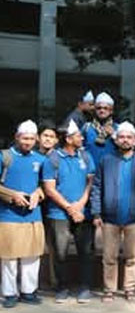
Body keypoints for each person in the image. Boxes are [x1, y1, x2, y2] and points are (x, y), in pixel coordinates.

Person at [92, 122, 135, 303]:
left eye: (129, 137)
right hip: (110, 218)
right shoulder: (106, 161)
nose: (125, 140)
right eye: (121, 137)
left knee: (133, 256)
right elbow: (97, 187)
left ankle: (129, 289)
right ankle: (109, 289)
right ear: (115, 140)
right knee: (109, 256)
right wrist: (96, 213)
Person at [42, 120, 96, 303]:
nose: (81, 138)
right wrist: (69, 208)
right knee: (60, 252)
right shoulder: (53, 159)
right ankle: (61, 288)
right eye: (78, 136)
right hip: (59, 214)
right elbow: (49, 189)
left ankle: (85, 287)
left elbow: (90, 183)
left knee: (86, 252)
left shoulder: (86, 156)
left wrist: (80, 205)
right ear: (68, 138)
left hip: (83, 212)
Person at [0, 121, 46, 308]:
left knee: (32, 256)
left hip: (33, 215)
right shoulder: (4, 157)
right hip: (8, 215)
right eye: (24, 138)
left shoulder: (41, 159)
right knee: (9, 257)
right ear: (17, 137)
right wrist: (12, 195)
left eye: (31, 139)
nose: (27, 142)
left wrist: (38, 194)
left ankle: (28, 292)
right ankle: (10, 294)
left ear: (36, 140)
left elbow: (47, 185)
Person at [82, 92, 118, 166]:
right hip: (91, 171)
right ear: (95, 110)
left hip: (112, 170)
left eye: (105, 108)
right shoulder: (86, 128)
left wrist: (114, 135)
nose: (102, 111)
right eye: (99, 108)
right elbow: (79, 149)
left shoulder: (118, 128)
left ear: (111, 111)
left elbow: (127, 148)